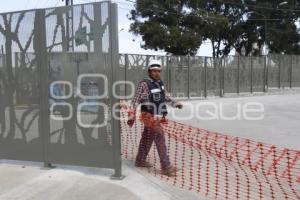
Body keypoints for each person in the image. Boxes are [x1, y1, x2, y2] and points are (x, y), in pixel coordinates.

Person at [127, 59, 183, 176]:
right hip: (148, 116)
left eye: (159, 71)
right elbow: (135, 100)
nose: (157, 73)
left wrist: (175, 103)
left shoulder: (160, 83)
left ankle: (140, 160)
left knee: (148, 138)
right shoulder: (144, 84)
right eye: (154, 71)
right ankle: (166, 166)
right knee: (160, 138)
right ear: (149, 72)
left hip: (157, 116)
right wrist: (132, 116)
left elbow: (165, 97)